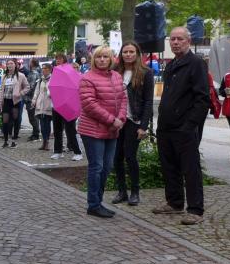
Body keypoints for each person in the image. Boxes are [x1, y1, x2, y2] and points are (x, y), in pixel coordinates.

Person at [153, 27, 210, 226]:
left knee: (190, 169)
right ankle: (175, 202)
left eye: (180, 39)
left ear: (188, 41)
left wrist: (190, 124)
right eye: (173, 39)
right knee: (169, 167)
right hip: (166, 126)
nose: (175, 42)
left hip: (184, 127)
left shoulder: (196, 64)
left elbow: (203, 99)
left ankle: (195, 209)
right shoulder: (171, 65)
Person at [79, 46, 127, 218]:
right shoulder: (88, 78)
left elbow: (123, 99)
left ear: (111, 59)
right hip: (92, 130)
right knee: (97, 167)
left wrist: (120, 119)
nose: (102, 60)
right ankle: (93, 204)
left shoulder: (116, 76)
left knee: (107, 167)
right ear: (94, 59)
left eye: (105, 57)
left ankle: (98, 202)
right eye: (98, 57)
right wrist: (112, 120)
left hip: (112, 129)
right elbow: (89, 105)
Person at [112, 42, 154, 206]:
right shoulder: (115, 71)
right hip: (117, 120)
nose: (128, 55)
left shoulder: (145, 72)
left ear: (137, 54)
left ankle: (135, 192)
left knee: (130, 156)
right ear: (121, 54)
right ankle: (122, 191)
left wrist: (143, 126)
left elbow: (148, 101)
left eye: (131, 52)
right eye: (125, 52)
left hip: (134, 120)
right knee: (116, 157)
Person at [51, 53, 84, 161]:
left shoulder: (69, 70)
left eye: (60, 58)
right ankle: (58, 151)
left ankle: (77, 152)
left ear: (64, 59)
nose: (58, 60)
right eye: (56, 59)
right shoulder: (56, 71)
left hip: (68, 105)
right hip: (56, 104)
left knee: (70, 130)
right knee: (57, 130)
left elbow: (75, 85)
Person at [0, 59, 29, 148]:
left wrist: (20, 93)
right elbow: (1, 89)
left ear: (15, 65)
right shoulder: (4, 76)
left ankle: (14, 140)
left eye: (11, 63)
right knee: (5, 121)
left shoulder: (21, 75)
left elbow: (27, 87)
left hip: (15, 101)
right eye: (8, 64)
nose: (9, 65)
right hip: (6, 101)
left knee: (15, 120)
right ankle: (6, 140)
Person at [31, 62, 53, 151]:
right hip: (40, 104)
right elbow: (37, 91)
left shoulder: (53, 79)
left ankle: (47, 142)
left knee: (47, 123)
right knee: (42, 124)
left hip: (48, 104)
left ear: (49, 70)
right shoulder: (40, 80)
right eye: (42, 68)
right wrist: (34, 100)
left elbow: (53, 92)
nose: (43, 70)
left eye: (45, 68)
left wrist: (49, 90)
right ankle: (44, 141)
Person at [25, 58, 42, 142]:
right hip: (33, 98)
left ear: (32, 64)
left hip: (31, 98)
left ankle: (36, 134)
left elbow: (31, 87)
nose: (29, 63)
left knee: (32, 117)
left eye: (30, 62)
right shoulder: (37, 72)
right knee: (33, 117)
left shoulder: (34, 73)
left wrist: (24, 93)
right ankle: (35, 133)